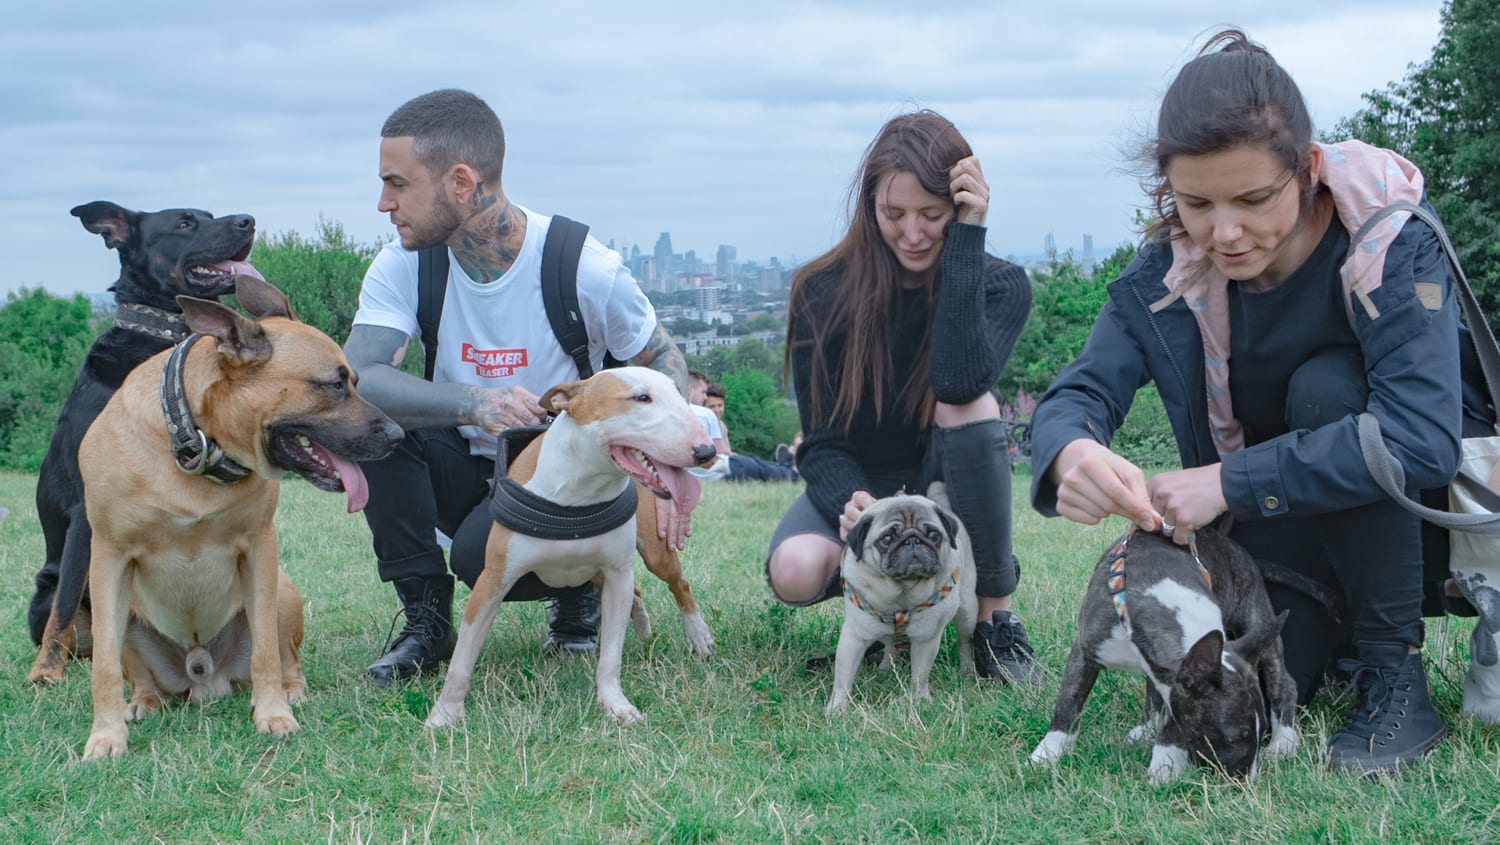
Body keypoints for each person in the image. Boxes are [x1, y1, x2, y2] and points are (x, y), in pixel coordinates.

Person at [1028, 30, 1478, 774]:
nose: (1224, 232)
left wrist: (1226, 482)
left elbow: (1421, 437)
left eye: (1254, 198)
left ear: (1306, 171)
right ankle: (1330, 648)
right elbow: (1079, 390)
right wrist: (1070, 449)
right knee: (1256, 684)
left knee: (1326, 387)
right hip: (1260, 546)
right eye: (1195, 202)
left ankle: (1395, 672)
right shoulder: (1166, 274)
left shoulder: (1390, 244)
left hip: (1403, 527)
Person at [345, 89, 691, 685]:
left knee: (479, 556)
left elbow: (664, 362)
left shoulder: (581, 265)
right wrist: (473, 403)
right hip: (461, 463)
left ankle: (580, 589)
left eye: (397, 184)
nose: (384, 203)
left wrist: (668, 469)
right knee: (370, 426)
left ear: (459, 182)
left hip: (563, 478)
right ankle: (426, 617)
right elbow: (359, 377)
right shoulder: (405, 264)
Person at [766, 110, 1039, 683]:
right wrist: (852, 499)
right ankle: (872, 620)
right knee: (795, 569)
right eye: (894, 214)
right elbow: (819, 443)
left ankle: (994, 623)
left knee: (972, 404)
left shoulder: (999, 285)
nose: (913, 233)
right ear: (870, 208)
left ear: (961, 207)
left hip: (947, 482)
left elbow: (960, 385)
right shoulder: (822, 290)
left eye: (933, 215)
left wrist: (965, 242)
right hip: (860, 484)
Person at [685, 372, 797, 483]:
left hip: (698, 474)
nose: (705, 397)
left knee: (754, 464)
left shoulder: (675, 417)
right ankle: (793, 473)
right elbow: (721, 452)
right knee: (755, 466)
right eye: (703, 392)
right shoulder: (704, 414)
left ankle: (785, 465)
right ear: (690, 389)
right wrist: (737, 458)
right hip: (718, 470)